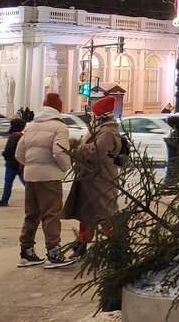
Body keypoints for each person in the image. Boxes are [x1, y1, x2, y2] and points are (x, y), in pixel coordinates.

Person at [14, 92, 75, 268]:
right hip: (50, 178)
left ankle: (26, 253)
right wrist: (65, 167)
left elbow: (19, 153)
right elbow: (59, 151)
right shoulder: (59, 127)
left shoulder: (31, 126)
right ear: (58, 109)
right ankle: (53, 253)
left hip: (31, 178)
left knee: (31, 214)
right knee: (51, 214)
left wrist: (32, 166)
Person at [64, 95, 121, 259]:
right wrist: (76, 143)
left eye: (94, 113)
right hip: (89, 178)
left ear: (100, 114)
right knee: (87, 213)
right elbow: (89, 147)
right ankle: (81, 245)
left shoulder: (108, 131)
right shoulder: (99, 128)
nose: (91, 115)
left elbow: (96, 151)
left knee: (105, 213)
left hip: (100, 178)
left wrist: (77, 150)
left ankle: (118, 245)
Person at [0, 118, 26, 207]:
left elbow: (8, 150)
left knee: (8, 183)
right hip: (20, 163)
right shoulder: (21, 136)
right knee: (26, 182)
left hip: (12, 164)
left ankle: (4, 200)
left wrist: (5, 156)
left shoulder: (13, 136)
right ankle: (35, 198)